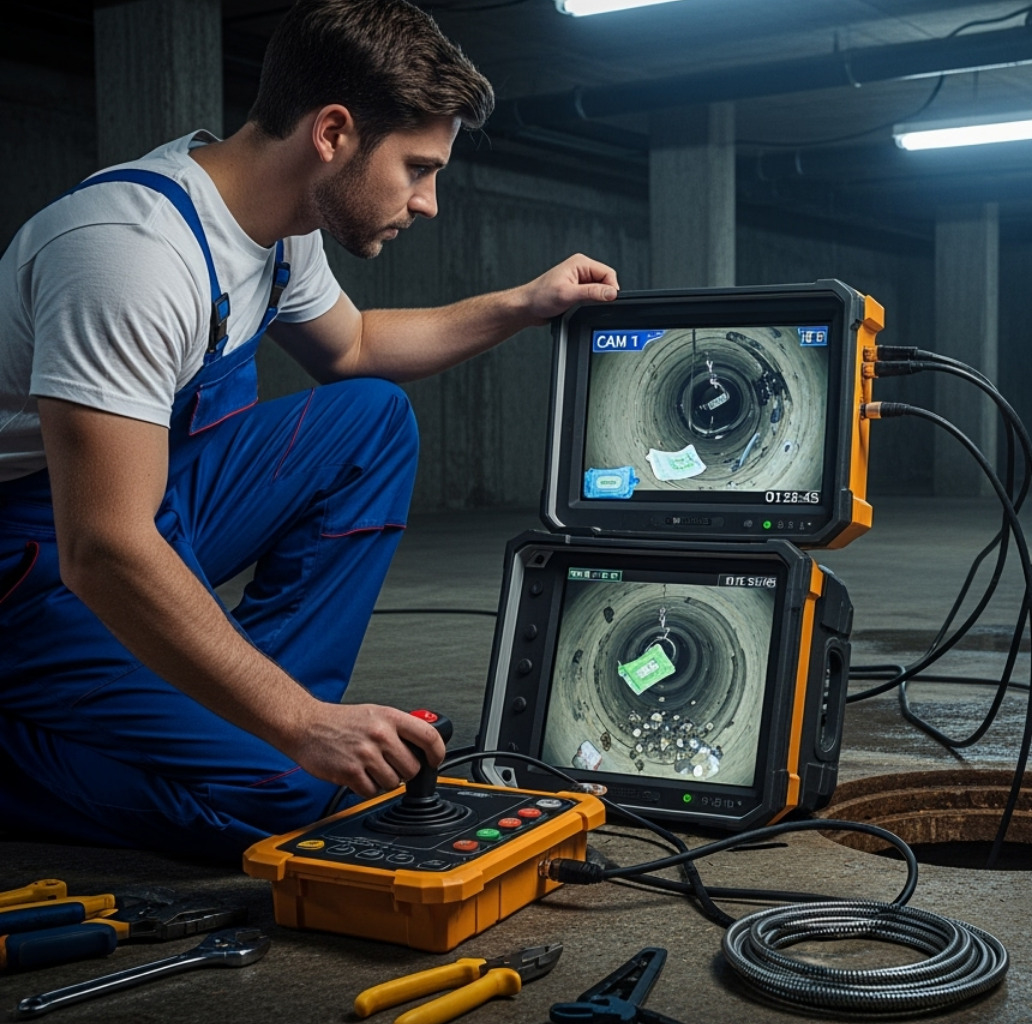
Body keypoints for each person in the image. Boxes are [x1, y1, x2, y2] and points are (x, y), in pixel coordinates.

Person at [0, 0, 618, 860]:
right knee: (287, 788)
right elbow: (103, 546)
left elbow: (357, 348)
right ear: (333, 132)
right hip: (35, 570)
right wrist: (299, 727)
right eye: (417, 168)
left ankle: (259, 710)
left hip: (145, 507)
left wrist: (523, 304)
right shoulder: (129, 255)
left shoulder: (280, 228)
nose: (429, 202)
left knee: (369, 421)